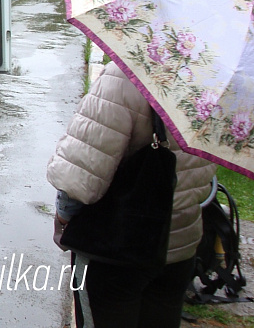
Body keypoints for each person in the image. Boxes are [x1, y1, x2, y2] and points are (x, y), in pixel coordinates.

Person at [47, 62, 217, 328]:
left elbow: (79, 176)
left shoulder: (126, 74)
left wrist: (63, 217)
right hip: (181, 246)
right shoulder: (216, 81)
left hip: (118, 250)